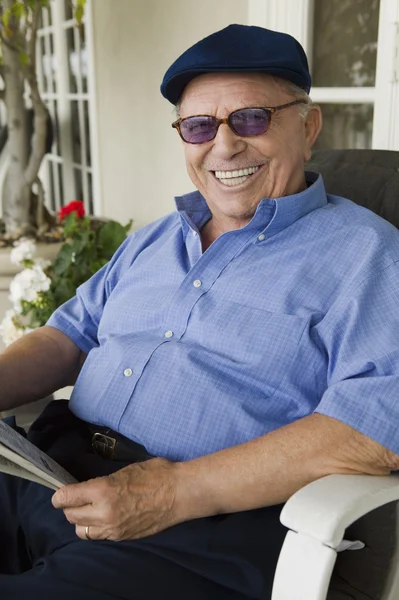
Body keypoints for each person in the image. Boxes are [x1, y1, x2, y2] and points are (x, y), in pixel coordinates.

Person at [1, 23, 399, 600]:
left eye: (251, 118)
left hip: (193, 535)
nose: (225, 144)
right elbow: (68, 335)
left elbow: (374, 430)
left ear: (308, 127)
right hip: (51, 473)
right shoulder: (156, 239)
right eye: (199, 126)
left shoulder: (369, 256)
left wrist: (172, 493)